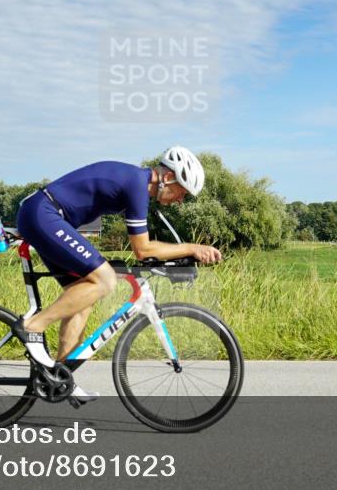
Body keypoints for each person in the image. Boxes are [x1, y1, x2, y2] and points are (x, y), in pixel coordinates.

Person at [13, 146, 222, 403]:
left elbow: (144, 247)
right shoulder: (137, 185)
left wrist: (182, 255)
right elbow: (142, 250)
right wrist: (192, 247)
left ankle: (57, 375)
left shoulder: (136, 184)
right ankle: (33, 327)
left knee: (84, 293)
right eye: (183, 192)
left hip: (45, 216)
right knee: (105, 279)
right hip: (44, 213)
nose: (180, 200)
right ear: (168, 178)